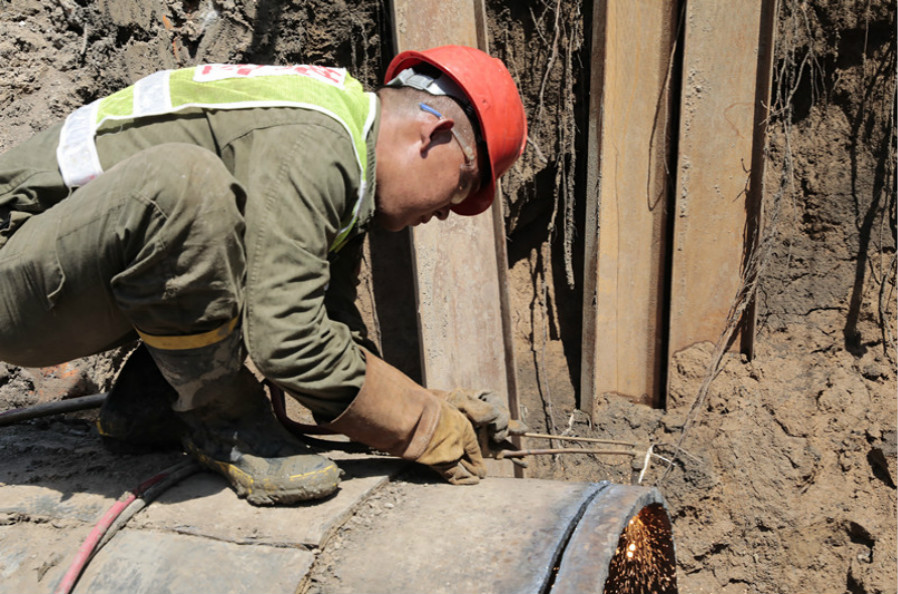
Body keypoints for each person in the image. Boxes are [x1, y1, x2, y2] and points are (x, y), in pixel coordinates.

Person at [0, 46, 528, 505]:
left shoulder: (346, 151)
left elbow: (325, 320)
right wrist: (422, 429)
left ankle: (150, 406)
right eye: (463, 186)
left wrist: (423, 403)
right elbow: (289, 339)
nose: (447, 212)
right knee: (185, 185)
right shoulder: (314, 144)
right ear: (434, 133)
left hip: (60, 276)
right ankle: (221, 419)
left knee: (241, 247)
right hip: (15, 270)